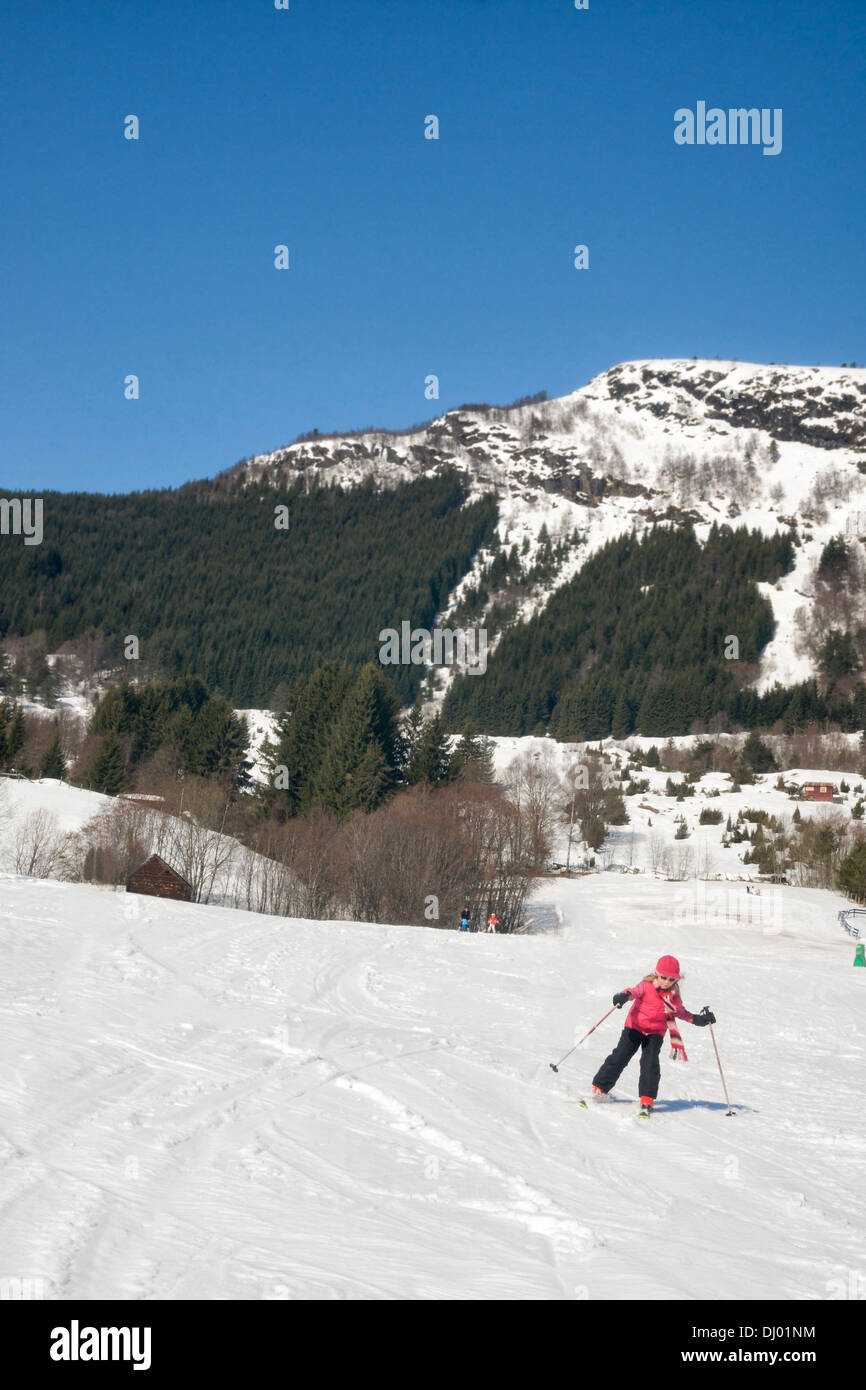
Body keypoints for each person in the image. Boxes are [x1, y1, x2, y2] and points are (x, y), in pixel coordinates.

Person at [590, 955, 716, 1116]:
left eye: (671, 979)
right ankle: (599, 1088)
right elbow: (632, 992)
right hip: (634, 1028)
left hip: (655, 1033)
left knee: (650, 1063)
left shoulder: (673, 996)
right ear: (657, 974)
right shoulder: (646, 986)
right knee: (620, 1057)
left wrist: (698, 1019)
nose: (666, 982)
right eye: (663, 977)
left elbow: (681, 1013)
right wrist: (623, 996)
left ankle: (647, 1098)